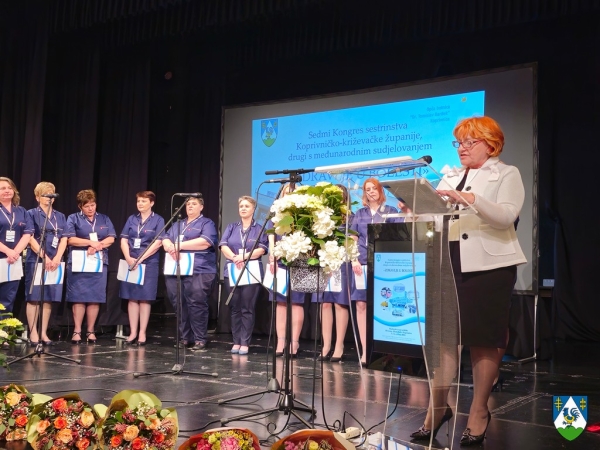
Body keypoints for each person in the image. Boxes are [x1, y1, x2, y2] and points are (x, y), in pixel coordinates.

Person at [411, 116, 526, 445]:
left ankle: (478, 411)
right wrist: (418, 207)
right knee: (444, 338)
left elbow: (507, 215)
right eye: (458, 142)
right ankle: (437, 409)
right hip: (446, 260)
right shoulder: (449, 175)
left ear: (491, 144)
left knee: (483, 339)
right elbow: (437, 217)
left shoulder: (506, 173)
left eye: (469, 142)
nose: (461, 148)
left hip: (488, 266)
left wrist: (471, 199)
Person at [350, 177, 406, 366]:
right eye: (367, 189)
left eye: (374, 188)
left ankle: (384, 351)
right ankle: (365, 351)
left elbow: (400, 232)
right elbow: (352, 238)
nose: (371, 192)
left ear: (380, 191)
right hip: (361, 264)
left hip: (383, 265)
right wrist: (353, 259)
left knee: (383, 305)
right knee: (361, 305)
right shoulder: (360, 213)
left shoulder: (390, 211)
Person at [162, 196, 217, 350]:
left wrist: (179, 245)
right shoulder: (177, 224)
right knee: (179, 303)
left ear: (201, 207)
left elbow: (205, 242)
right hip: (175, 269)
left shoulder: (206, 223)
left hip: (199, 269)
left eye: (194, 204)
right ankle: (185, 337)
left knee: (196, 304)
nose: (190, 206)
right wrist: (169, 246)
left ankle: (199, 339)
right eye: (188, 204)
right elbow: (165, 238)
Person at [65, 190, 116, 344]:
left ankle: (91, 330)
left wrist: (98, 245)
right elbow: (70, 239)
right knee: (78, 297)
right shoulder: (73, 218)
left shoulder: (104, 218)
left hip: (98, 261)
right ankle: (77, 330)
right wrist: (90, 243)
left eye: (92, 205)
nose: (90, 208)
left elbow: (111, 238)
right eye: (86, 206)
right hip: (79, 262)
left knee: (95, 297)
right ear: (80, 206)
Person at [219, 196, 268, 355]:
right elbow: (223, 245)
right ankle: (236, 341)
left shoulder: (259, 228)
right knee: (235, 308)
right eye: (241, 206)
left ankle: (245, 342)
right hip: (233, 269)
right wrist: (235, 258)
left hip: (251, 270)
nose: (243, 208)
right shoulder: (232, 227)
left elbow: (261, 249)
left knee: (247, 308)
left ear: (253, 209)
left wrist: (244, 257)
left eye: (247, 206)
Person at [25, 182, 68, 346]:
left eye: (51, 194)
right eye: (45, 195)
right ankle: (33, 332)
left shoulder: (60, 216)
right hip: (36, 259)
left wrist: (57, 257)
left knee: (49, 297)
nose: (49, 198)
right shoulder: (31, 214)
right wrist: (45, 257)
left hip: (55, 261)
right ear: (37, 197)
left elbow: (64, 238)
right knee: (34, 297)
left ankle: (43, 332)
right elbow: (30, 238)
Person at [119, 191, 165, 346]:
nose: (140, 204)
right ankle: (133, 332)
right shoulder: (132, 219)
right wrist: (128, 257)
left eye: (144, 201)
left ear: (151, 203)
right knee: (132, 297)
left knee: (145, 298)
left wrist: (141, 258)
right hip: (131, 261)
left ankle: (142, 333)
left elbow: (158, 243)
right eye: (138, 201)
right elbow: (124, 239)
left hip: (149, 262)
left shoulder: (158, 220)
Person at [313, 184, 352, 362]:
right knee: (325, 304)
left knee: (339, 304)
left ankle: (339, 345)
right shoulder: (322, 215)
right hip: (324, 262)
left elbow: (352, 239)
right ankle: (326, 345)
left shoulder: (350, 216)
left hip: (341, 263)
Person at [267, 183, 306, 357]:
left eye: (293, 191)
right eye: (286, 191)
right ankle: (281, 341)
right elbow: (271, 235)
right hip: (280, 260)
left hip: (299, 261)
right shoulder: (276, 213)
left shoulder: (304, 212)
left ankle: (294, 342)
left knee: (296, 302)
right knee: (281, 302)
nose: (289, 194)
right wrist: (272, 254)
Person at [0, 177, 34, 312]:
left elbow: (28, 234)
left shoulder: (21, 211)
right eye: (3, 188)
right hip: (3, 256)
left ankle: (4, 325)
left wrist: (15, 253)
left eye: (10, 188)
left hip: (13, 260)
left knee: (8, 298)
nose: (7, 191)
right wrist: (8, 251)